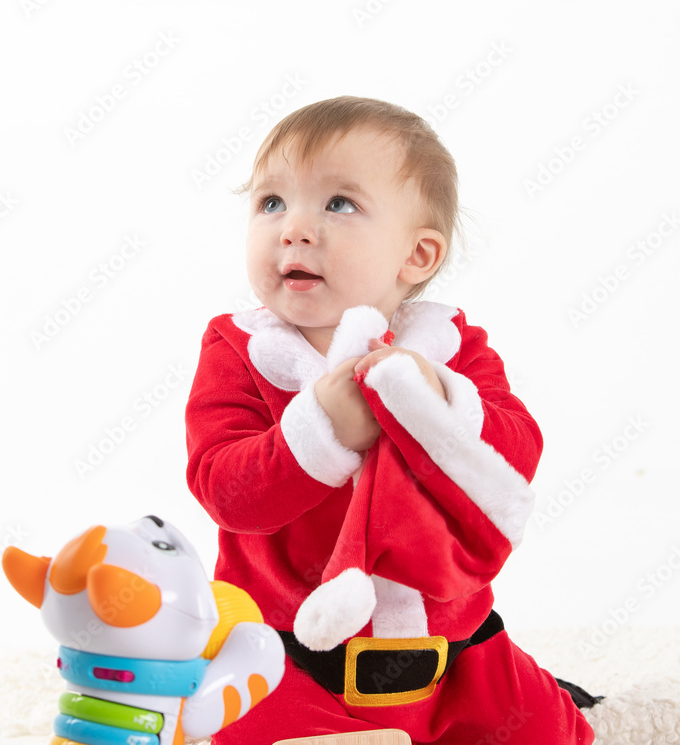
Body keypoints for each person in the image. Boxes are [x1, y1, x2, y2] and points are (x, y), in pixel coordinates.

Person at [184, 96, 598, 743]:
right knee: (245, 721)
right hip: (284, 652)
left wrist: (435, 402)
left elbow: (515, 459)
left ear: (417, 256)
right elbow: (224, 490)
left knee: (549, 730)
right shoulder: (239, 348)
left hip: (453, 649)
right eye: (271, 202)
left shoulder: (451, 348)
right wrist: (323, 429)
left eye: (339, 203)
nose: (293, 228)